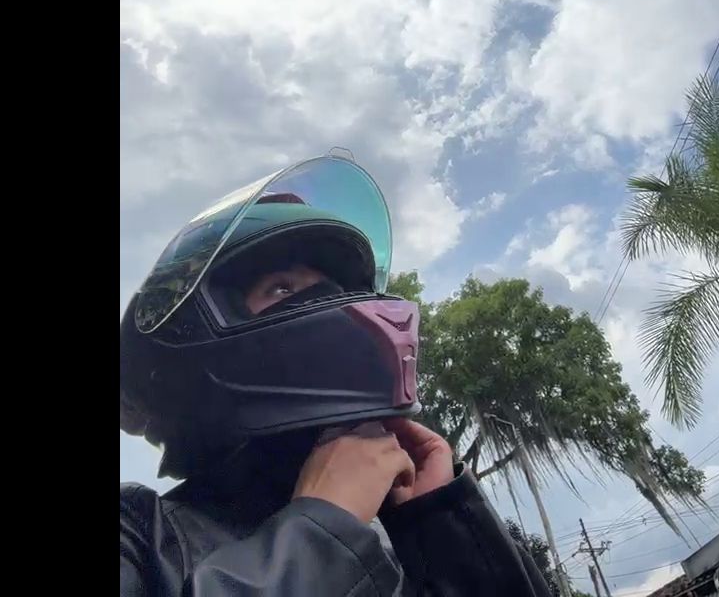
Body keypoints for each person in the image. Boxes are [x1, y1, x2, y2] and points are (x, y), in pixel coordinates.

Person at [120, 154, 551, 596]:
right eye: (283, 288)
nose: (329, 303)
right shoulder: (140, 534)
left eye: (337, 291)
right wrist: (323, 528)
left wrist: (442, 525)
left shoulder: (392, 540)